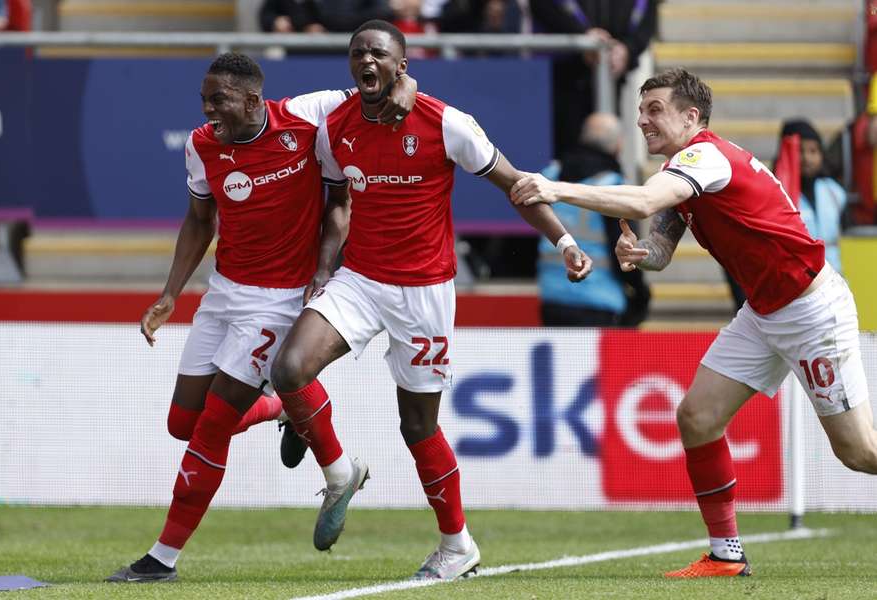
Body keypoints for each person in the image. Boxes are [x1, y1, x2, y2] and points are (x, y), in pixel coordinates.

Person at [512, 67, 875, 578]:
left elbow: (643, 200)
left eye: (654, 109)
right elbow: (660, 246)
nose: (642, 119)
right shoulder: (690, 174)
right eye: (640, 110)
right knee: (697, 418)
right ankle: (726, 555)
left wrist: (555, 188)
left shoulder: (703, 156)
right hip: (764, 311)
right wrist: (640, 252)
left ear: (691, 116)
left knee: (860, 452)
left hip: (812, 311)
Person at [270, 19, 591, 581]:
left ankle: (457, 544)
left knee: (417, 426)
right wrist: (324, 268)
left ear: (402, 64)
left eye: (378, 54)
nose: (367, 61)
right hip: (361, 279)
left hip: (424, 293)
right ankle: (341, 472)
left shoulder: (447, 123)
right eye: (358, 54)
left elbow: (515, 183)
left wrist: (564, 241)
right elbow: (338, 204)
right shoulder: (335, 126)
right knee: (290, 368)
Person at [106, 52, 417, 583]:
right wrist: (170, 293)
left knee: (212, 427)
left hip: (278, 301)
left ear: (252, 99)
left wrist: (406, 86)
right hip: (224, 294)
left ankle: (162, 559)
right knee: (182, 422)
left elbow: (378, 86)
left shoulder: (306, 116)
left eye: (218, 100)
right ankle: (284, 406)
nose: (208, 111)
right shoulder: (202, 145)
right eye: (204, 100)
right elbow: (199, 220)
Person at [537, 112, 649, 326]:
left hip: (552, 299)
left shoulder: (549, 176)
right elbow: (626, 253)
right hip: (599, 302)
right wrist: (641, 293)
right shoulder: (613, 187)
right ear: (618, 146)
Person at [529, 0, 658, 158]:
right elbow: (543, 7)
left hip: (611, 77)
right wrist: (582, 37)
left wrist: (627, 49)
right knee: (566, 152)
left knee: (605, 151)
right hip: (562, 77)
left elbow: (646, 16)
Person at [775, 119, 848, 273]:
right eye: (799, 151)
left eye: (813, 151)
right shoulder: (777, 194)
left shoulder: (834, 192)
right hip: (798, 285)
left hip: (834, 279)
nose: (807, 158)